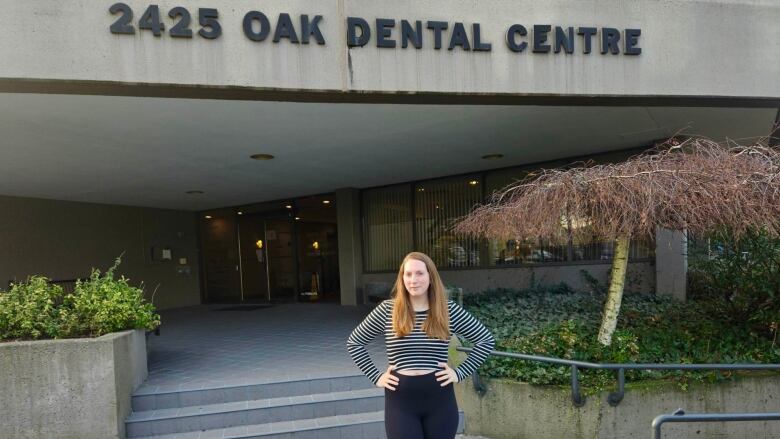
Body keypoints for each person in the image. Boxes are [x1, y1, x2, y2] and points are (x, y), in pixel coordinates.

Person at [347, 251, 496, 439]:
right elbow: (355, 342)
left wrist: (459, 373)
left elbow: (485, 340)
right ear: (402, 278)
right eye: (407, 274)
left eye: (419, 273)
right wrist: (376, 377)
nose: (413, 280)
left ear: (430, 277)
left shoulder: (447, 310)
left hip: (439, 400)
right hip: (400, 401)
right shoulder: (388, 310)